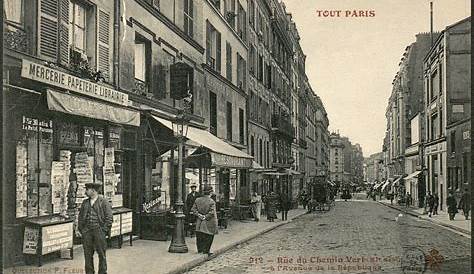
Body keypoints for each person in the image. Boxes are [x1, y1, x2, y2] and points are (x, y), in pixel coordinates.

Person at [78, 183, 113, 274]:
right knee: (88, 254)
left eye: (87, 190)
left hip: (99, 231)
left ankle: (102, 272)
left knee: (101, 254)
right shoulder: (85, 202)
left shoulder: (103, 202)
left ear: (93, 190)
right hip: (87, 232)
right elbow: (80, 217)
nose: (86, 191)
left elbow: (109, 218)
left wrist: (103, 230)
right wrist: (82, 230)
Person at [191, 186, 218, 256]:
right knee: (209, 236)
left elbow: (193, 210)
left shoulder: (197, 200)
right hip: (209, 221)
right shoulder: (211, 201)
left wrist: (199, 215)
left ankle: (200, 250)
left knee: (199, 235)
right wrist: (205, 217)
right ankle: (206, 251)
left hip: (199, 221)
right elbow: (212, 212)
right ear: (210, 193)